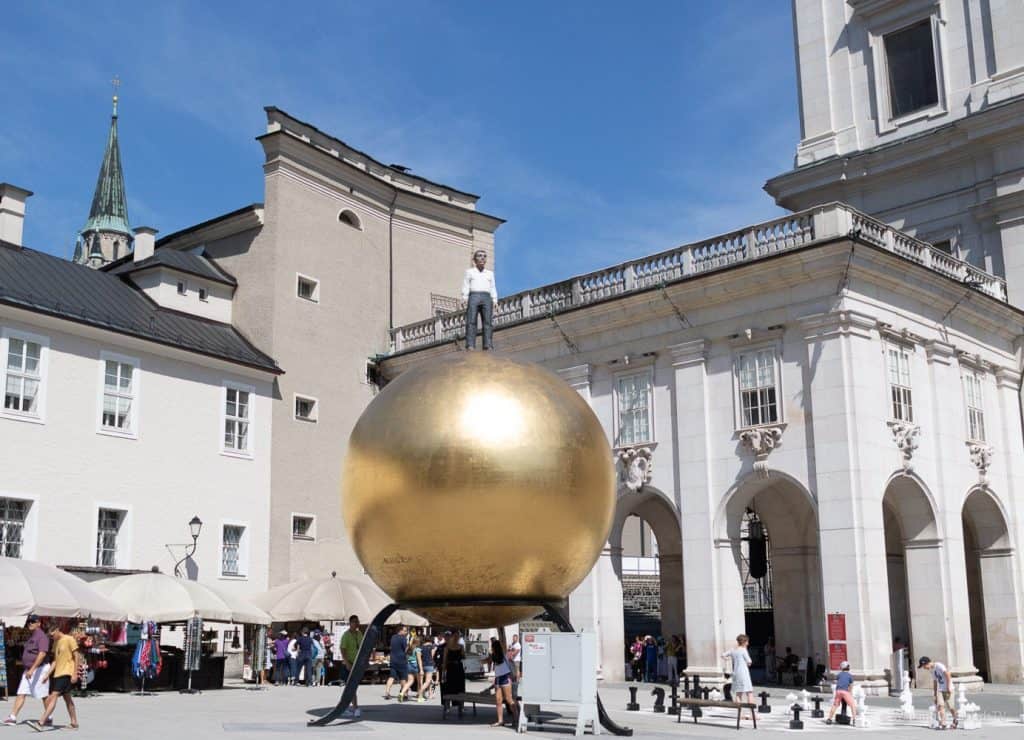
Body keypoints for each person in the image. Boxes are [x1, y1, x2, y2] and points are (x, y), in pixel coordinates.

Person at [31, 625, 79, 731]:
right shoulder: (56, 643)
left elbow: (76, 656)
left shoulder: (69, 639)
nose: (52, 637)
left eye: (53, 635)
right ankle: (74, 723)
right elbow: (55, 661)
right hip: (58, 673)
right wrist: (47, 674)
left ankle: (41, 722)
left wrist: (75, 673)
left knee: (54, 695)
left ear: (57, 630)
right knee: (68, 699)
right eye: (50, 636)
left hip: (66, 672)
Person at [3, 615, 50, 726]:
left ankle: (48, 716)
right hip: (28, 669)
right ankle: (13, 717)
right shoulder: (32, 636)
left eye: (33, 622)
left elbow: (42, 654)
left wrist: (32, 669)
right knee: (21, 692)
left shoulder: (42, 636)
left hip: (39, 669)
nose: (30, 623)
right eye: (29, 622)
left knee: (43, 694)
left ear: (39, 623)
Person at [462, 250, 497, 350]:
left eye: (484, 256)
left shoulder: (490, 273)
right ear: (474, 259)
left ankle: (488, 344)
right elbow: (466, 285)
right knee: (471, 320)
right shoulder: (469, 272)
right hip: (474, 295)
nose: (482, 258)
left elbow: (492, 287)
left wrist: (495, 300)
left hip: (486, 296)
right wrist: (464, 297)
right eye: (480, 256)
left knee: (488, 322)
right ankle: (470, 344)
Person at [919, 656, 958, 729]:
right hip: (940, 690)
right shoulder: (932, 670)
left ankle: (955, 718)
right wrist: (934, 694)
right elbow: (935, 682)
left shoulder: (939, 665)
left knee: (951, 707)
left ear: (926, 663)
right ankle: (943, 723)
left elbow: (948, 674)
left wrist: (948, 686)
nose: (924, 668)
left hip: (948, 689)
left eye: (923, 666)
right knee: (940, 706)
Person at [723, 634, 755, 722]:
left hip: (735, 673)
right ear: (744, 642)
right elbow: (749, 661)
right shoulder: (743, 650)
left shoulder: (733, 650)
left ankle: (740, 714)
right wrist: (748, 664)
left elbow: (723, 655)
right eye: (747, 642)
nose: (748, 643)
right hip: (743, 673)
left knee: (738, 694)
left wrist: (727, 660)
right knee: (749, 692)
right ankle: (753, 715)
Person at [487, 637, 517, 727]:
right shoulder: (494, 656)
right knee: (498, 700)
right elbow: (488, 660)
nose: (492, 648)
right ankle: (500, 720)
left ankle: (516, 718)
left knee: (509, 699)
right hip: (498, 679)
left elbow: (510, 665)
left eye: (492, 646)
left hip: (505, 677)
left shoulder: (503, 655)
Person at [339, 615, 363, 718]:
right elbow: (343, 650)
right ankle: (355, 707)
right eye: (354, 622)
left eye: (357, 621)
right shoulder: (346, 635)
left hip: (356, 664)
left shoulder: (359, 634)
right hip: (348, 664)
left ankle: (345, 707)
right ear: (350, 623)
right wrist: (347, 663)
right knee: (351, 688)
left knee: (351, 688)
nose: (356, 623)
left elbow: (362, 647)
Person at [440, 632, 466, 715]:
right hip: (457, 668)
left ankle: (450, 707)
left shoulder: (448, 647)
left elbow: (444, 661)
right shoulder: (459, 647)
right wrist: (443, 673)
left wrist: (443, 673)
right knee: (458, 687)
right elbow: (464, 657)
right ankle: (460, 707)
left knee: (451, 687)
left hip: (453, 668)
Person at [825, 660, 857, 725]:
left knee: (835, 705)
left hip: (838, 691)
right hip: (845, 691)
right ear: (848, 667)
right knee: (852, 705)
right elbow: (851, 685)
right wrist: (850, 692)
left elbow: (837, 681)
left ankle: (829, 719)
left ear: (841, 667)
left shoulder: (839, 674)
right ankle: (854, 720)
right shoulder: (849, 675)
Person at [384, 625, 409, 700]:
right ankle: (404, 694)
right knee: (403, 678)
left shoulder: (393, 637)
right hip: (401, 660)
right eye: (405, 630)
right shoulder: (403, 638)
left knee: (392, 677)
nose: (406, 632)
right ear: (400, 630)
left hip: (393, 660)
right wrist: (409, 645)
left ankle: (387, 692)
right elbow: (406, 649)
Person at [419, 634, 435, 701]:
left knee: (428, 680)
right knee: (428, 681)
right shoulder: (432, 647)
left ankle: (430, 694)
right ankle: (420, 693)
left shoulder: (421, 647)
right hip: (430, 664)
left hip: (423, 664)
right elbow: (432, 656)